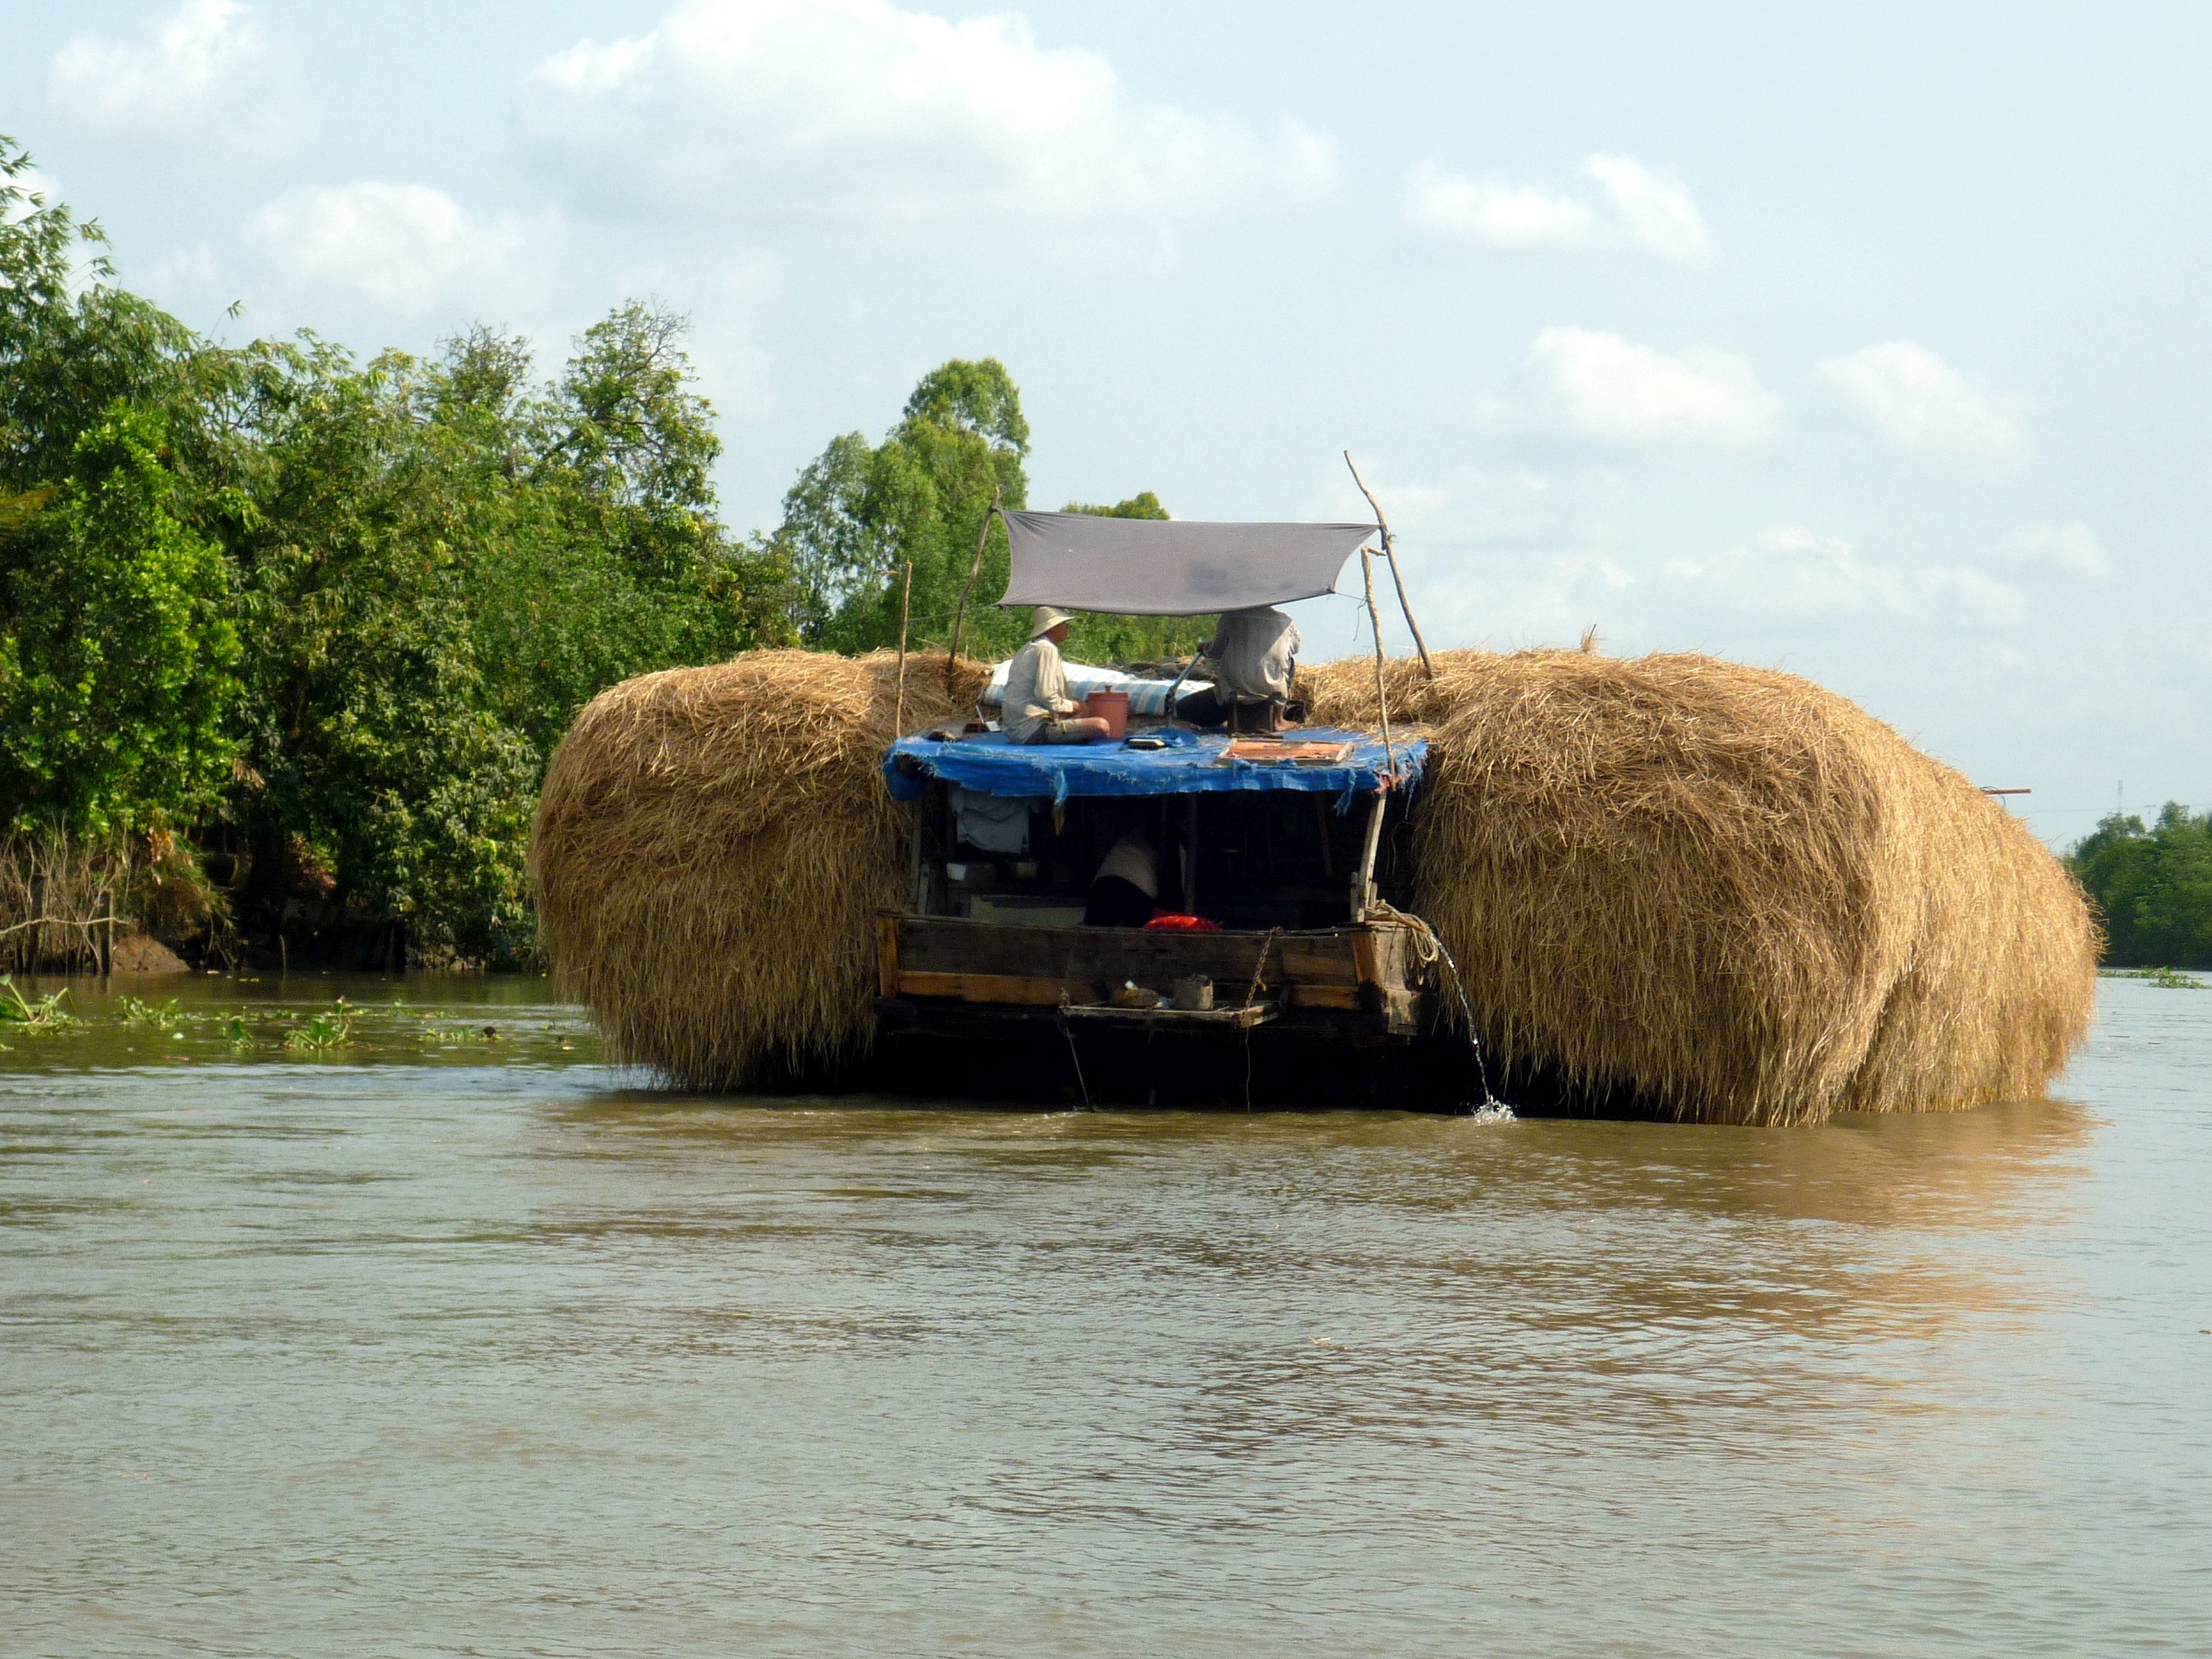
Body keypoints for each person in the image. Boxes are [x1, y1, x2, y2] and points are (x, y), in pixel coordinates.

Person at [1174, 605, 1302, 730]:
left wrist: (1205, 648)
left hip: (1232, 697)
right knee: (1289, 662)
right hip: (1272, 697)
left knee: (1182, 708)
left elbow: (1215, 652)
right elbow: (1295, 648)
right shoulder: (1286, 622)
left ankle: (1226, 722)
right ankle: (1278, 719)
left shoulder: (1231, 616)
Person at [1004, 606, 1111, 745]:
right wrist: (1074, 706)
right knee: (1101, 726)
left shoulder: (1027, 648)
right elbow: (1046, 695)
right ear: (1051, 629)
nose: (1067, 628)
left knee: (1082, 712)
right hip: (1033, 728)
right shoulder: (1047, 649)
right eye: (1063, 624)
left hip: (1017, 730)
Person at [1084, 832, 1159, 927]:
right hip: (1140, 886)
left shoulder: (1125, 838)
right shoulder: (1156, 843)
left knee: (1093, 934)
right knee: (1137, 936)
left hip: (1105, 882)